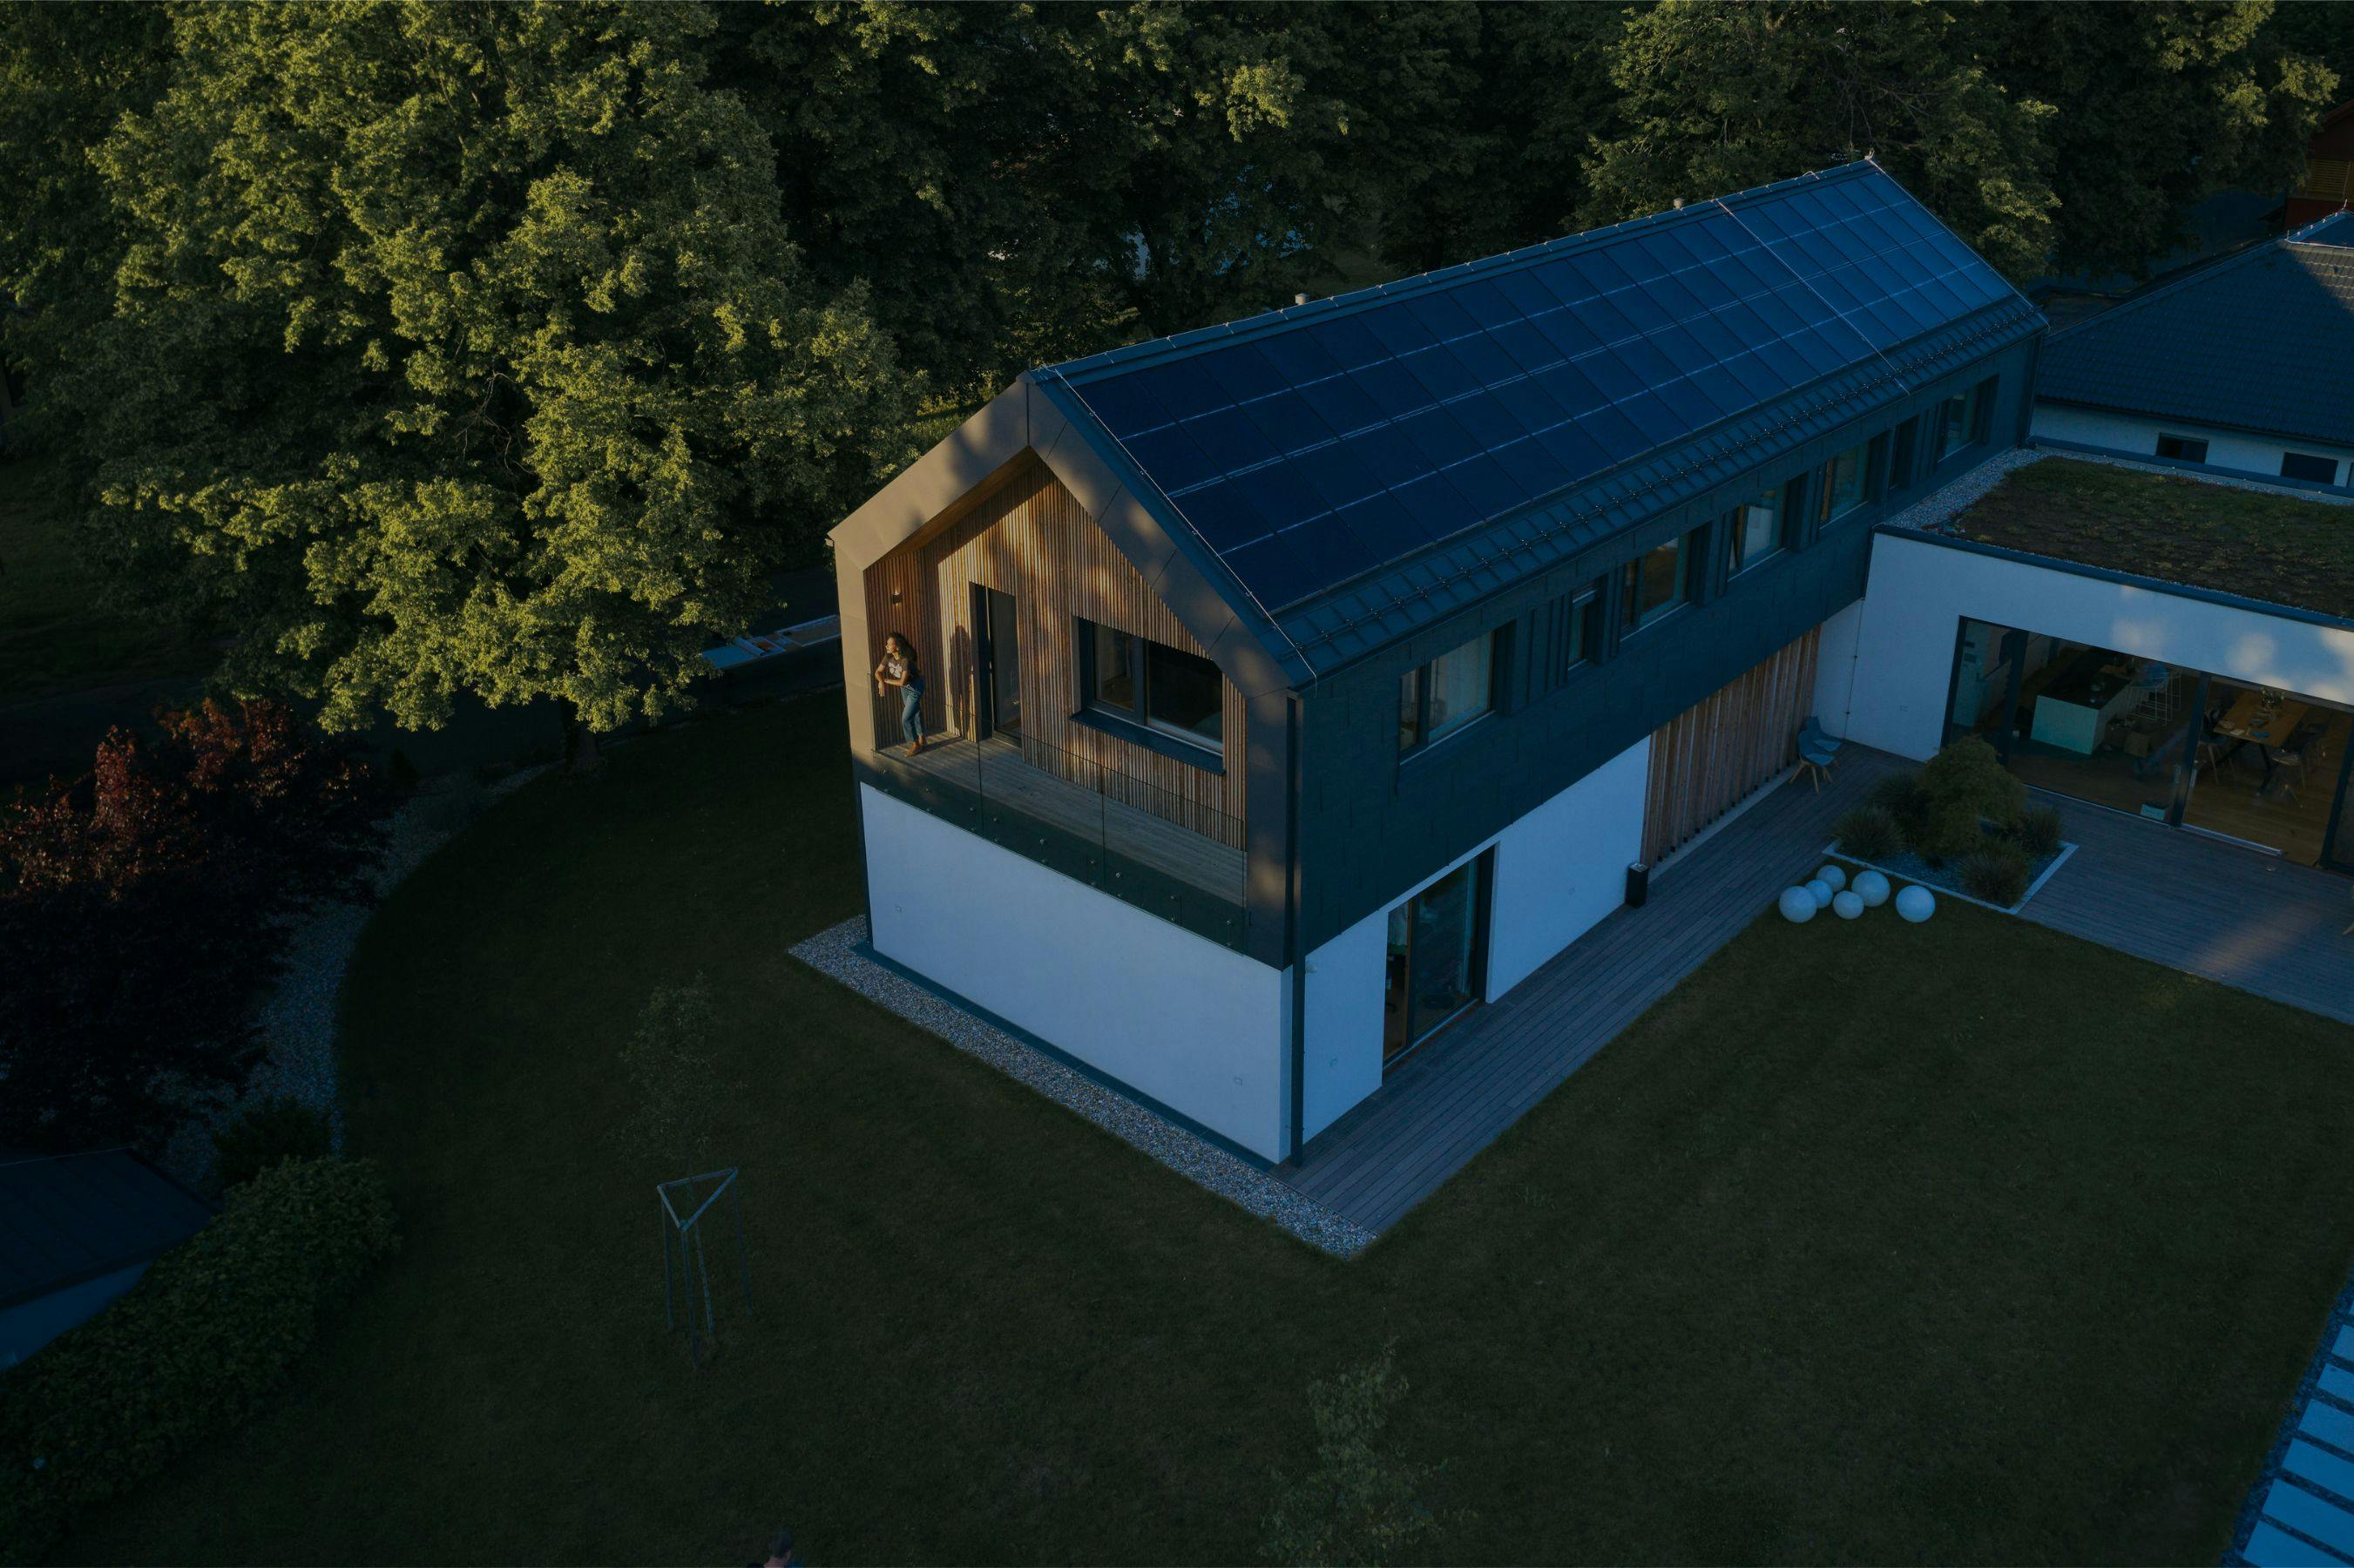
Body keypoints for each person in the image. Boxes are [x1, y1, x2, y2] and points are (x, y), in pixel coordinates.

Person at [874, 632, 926, 755]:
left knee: (906, 718)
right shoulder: (888, 657)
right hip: (905, 688)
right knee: (915, 711)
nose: (886, 646)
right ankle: (922, 737)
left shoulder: (904, 660)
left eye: (889, 644)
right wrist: (880, 681)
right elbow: (877, 672)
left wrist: (885, 680)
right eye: (887, 644)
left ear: (897, 647)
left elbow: (902, 682)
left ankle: (915, 745)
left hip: (915, 687)